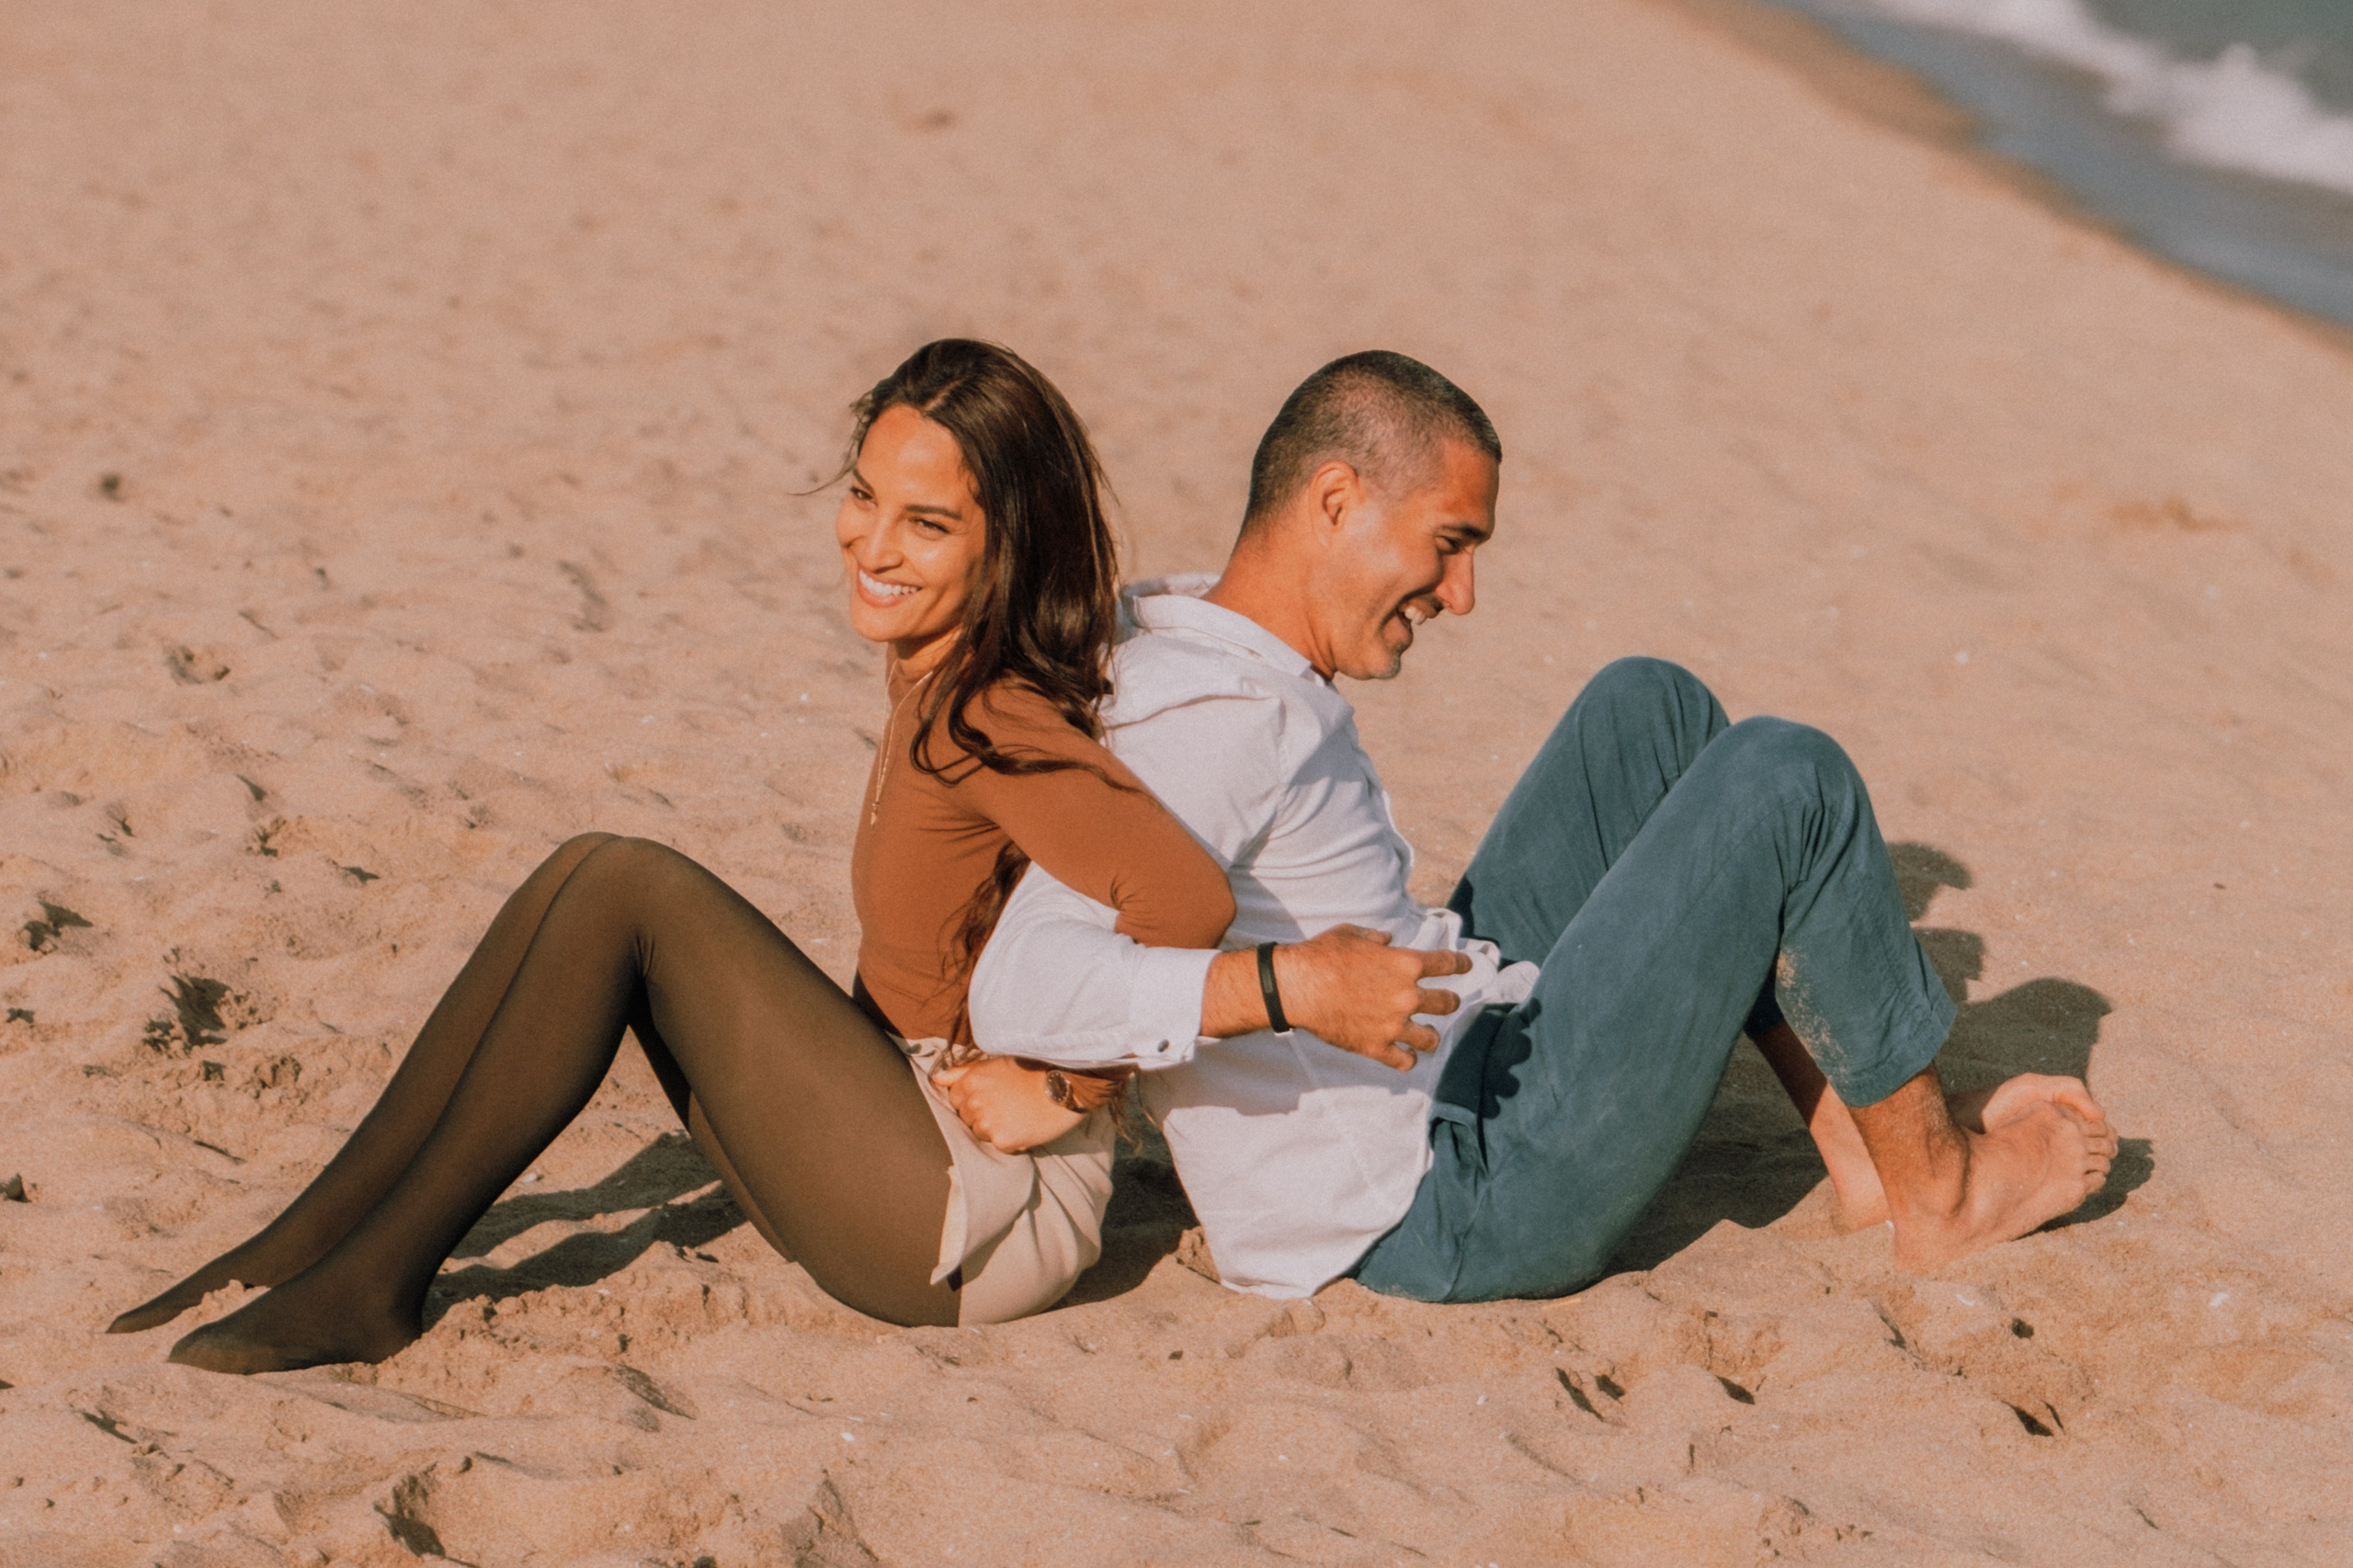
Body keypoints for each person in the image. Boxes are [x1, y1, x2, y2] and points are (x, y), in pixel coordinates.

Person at [110, 339, 1235, 1370]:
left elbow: (1188, 897)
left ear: (1007, 539)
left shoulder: (989, 711)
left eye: (926, 524)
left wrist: (1074, 1082)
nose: (873, 546)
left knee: (630, 889)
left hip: (975, 1217)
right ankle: (318, 1232)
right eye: (862, 495)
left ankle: (372, 1280)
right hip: (900, 1125)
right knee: (585, 866)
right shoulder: (932, 660)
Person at [970, 350, 2118, 1303]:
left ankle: (1850, 1137)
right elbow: (1025, 983)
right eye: (1448, 543)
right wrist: (1290, 986)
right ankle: (1941, 1191)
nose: (1459, 595)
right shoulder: (1214, 723)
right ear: (1334, 501)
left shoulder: (1213, 643)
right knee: (1790, 775)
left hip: (1440, 1057)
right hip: (1445, 1202)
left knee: (1648, 706)